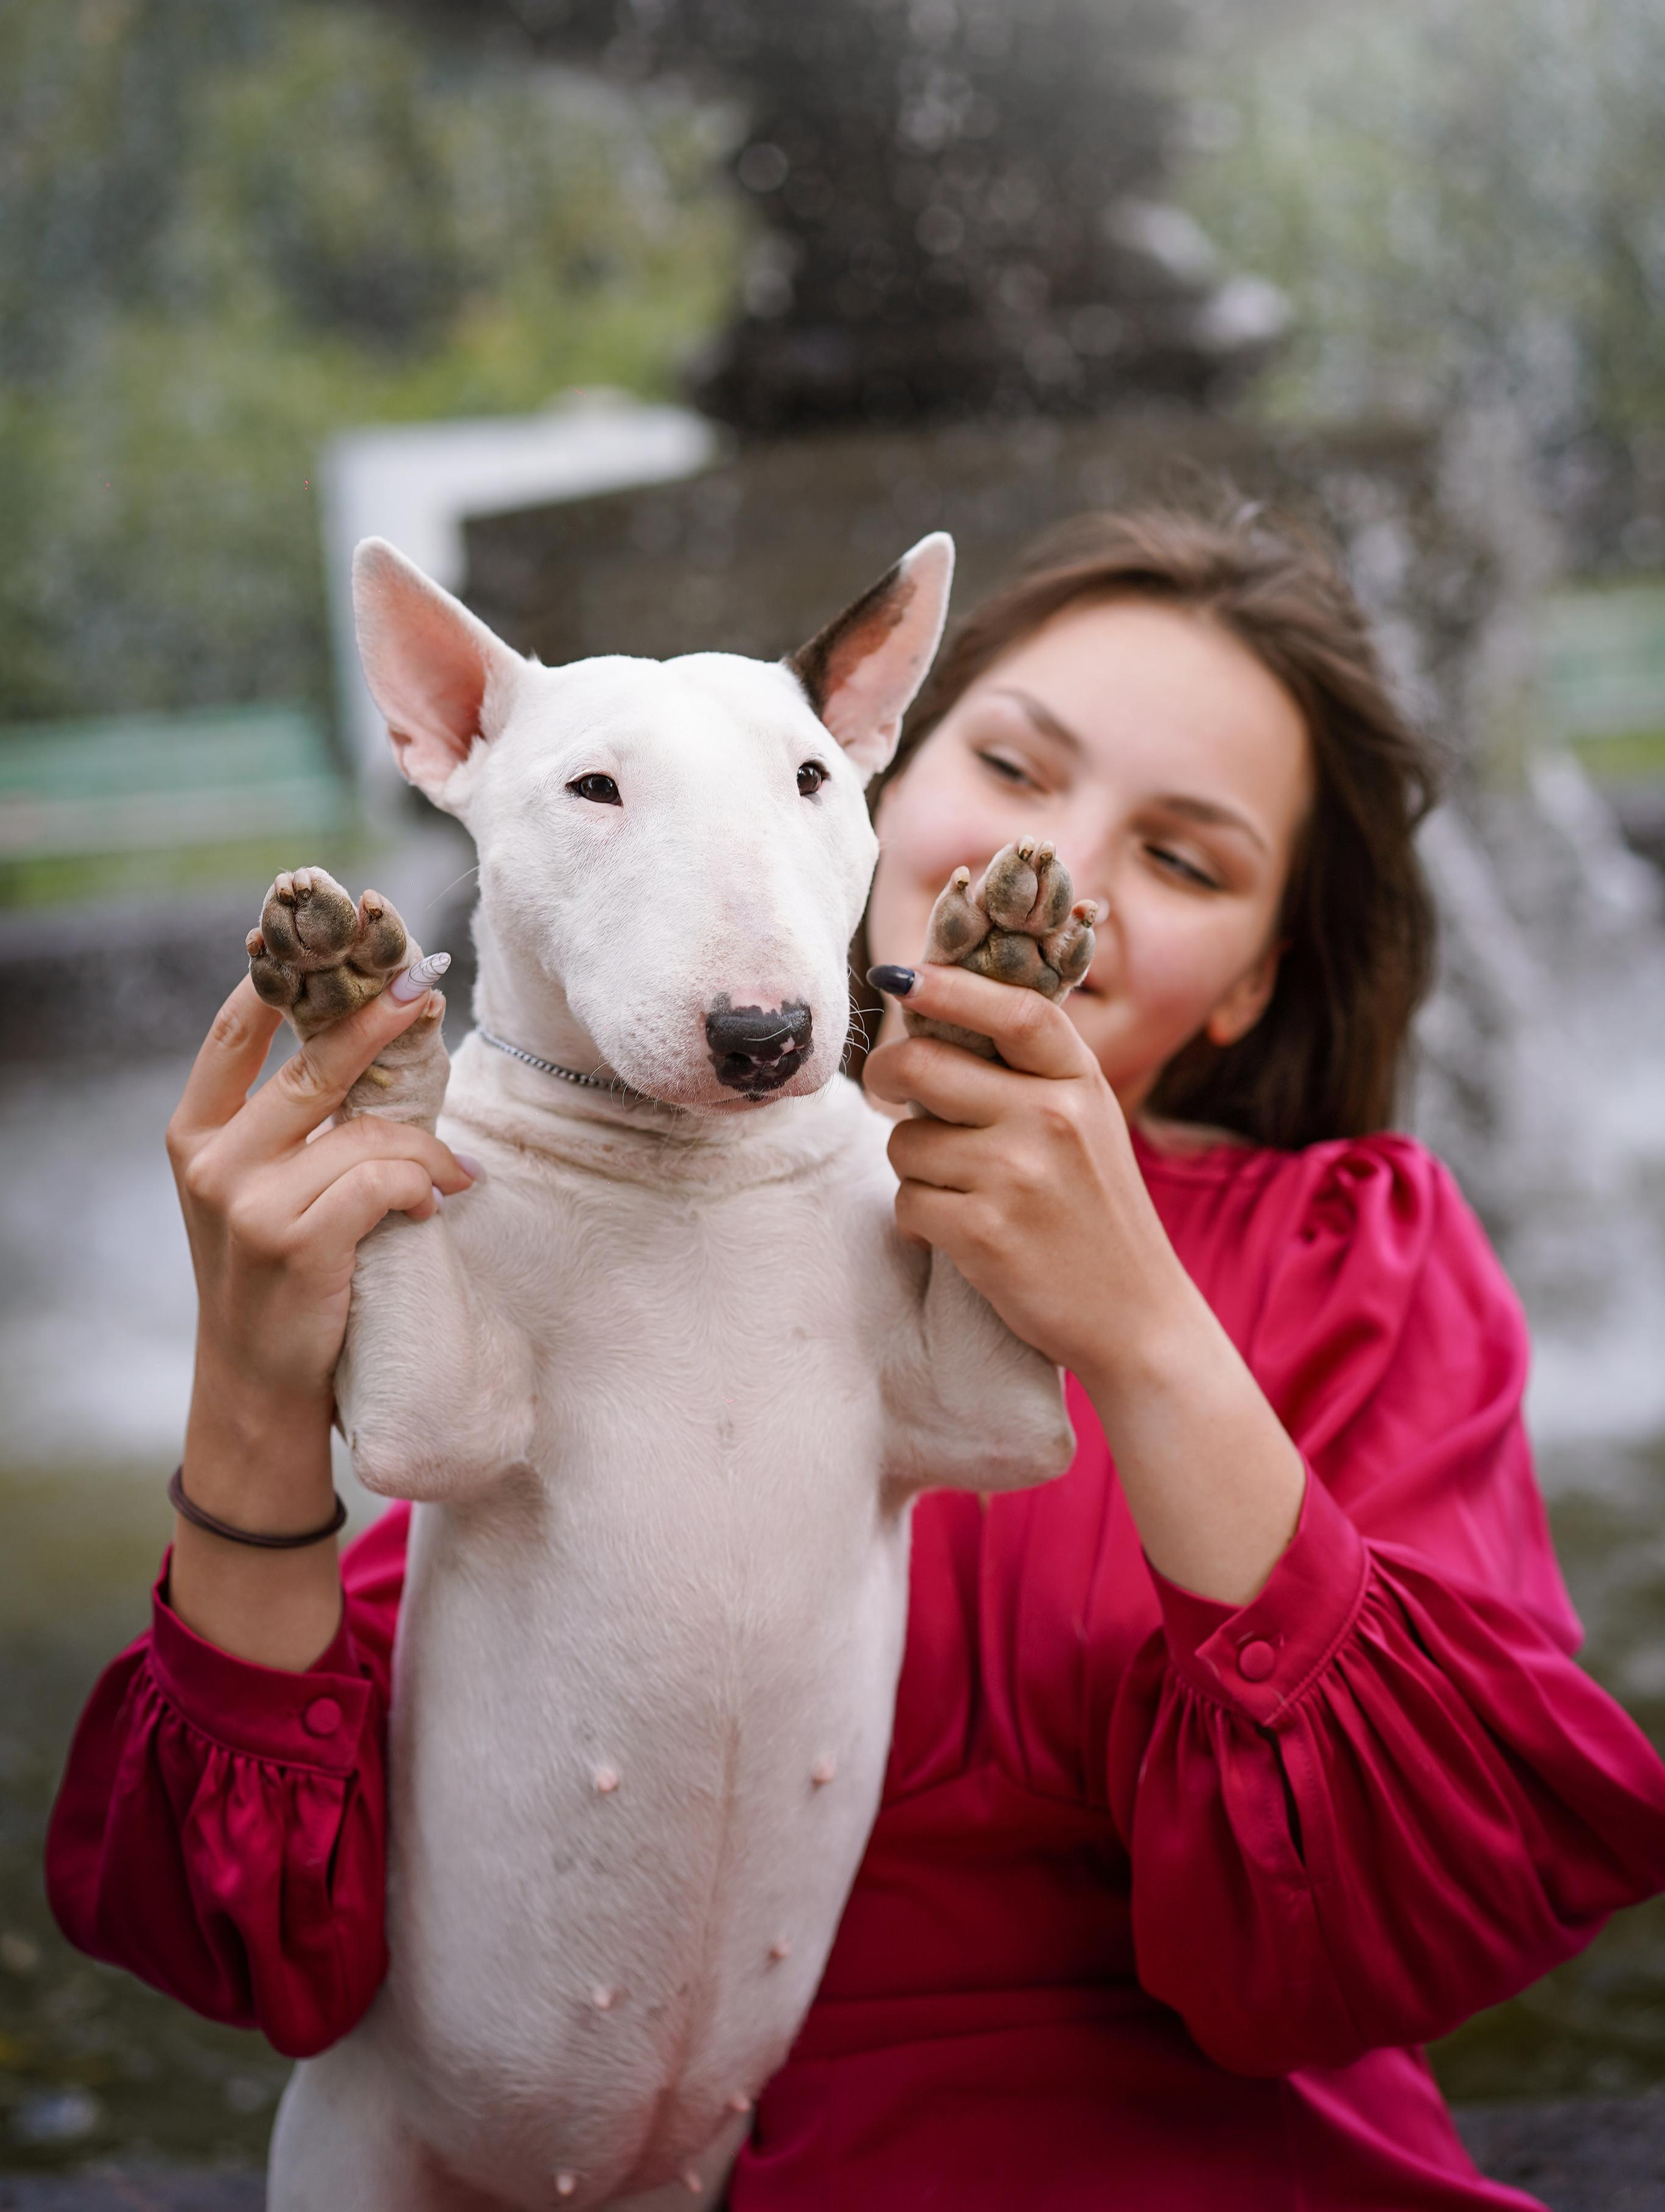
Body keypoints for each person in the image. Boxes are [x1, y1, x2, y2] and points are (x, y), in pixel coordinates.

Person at [46, 507, 1665, 2209]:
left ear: (1257, 979)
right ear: (868, 785)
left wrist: (1141, 1328)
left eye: (1186, 861)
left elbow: (1410, 1922)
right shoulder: (589, 1233)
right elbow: (263, 1951)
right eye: (1018, 773)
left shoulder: (1352, 1258)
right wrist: (250, 1387)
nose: (1070, 878)